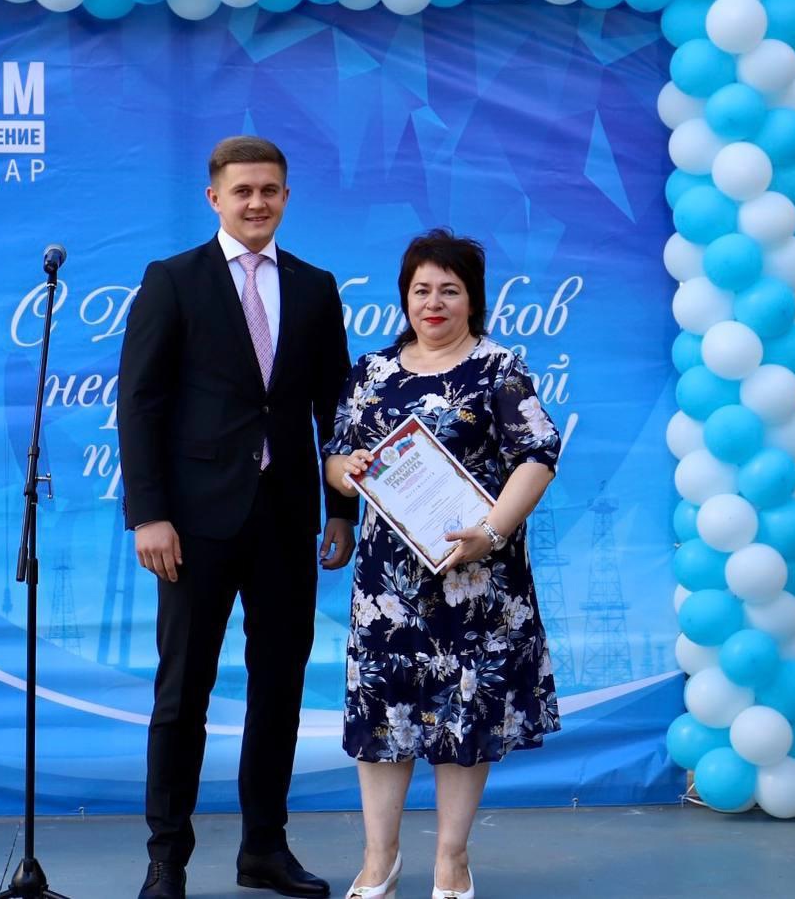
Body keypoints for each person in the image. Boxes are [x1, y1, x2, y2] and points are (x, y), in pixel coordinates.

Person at [118, 136, 357, 899]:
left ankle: (265, 849)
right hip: (192, 526)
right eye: (243, 190)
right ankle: (166, 859)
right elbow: (139, 403)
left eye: (270, 190)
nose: (257, 202)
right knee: (181, 693)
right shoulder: (173, 280)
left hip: (285, 520)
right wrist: (149, 515)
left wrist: (342, 511)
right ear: (214, 197)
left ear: (287, 197)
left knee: (279, 688)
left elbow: (336, 410)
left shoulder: (315, 287)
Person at [322, 229, 561, 899]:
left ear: (472, 300)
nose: (434, 303)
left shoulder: (498, 368)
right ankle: (379, 860)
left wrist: (492, 530)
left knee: (466, 718)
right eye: (421, 290)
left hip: (477, 578)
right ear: (405, 297)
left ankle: (452, 861)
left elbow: (538, 454)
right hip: (388, 589)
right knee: (383, 717)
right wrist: (350, 469)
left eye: (449, 291)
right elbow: (335, 458)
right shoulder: (373, 372)